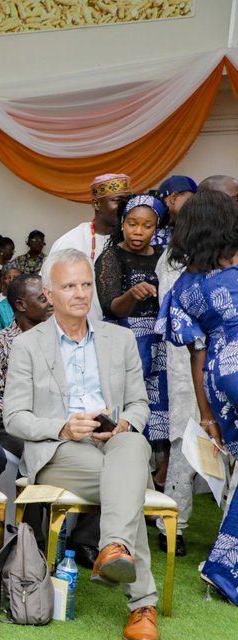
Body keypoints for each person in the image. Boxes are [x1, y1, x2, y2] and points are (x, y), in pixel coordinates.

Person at [4, 248, 159, 640]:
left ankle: (112, 548)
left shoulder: (120, 339)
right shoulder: (27, 345)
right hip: (60, 451)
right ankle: (142, 604)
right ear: (50, 294)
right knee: (126, 484)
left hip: (114, 442)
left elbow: (141, 404)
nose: (80, 293)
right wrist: (63, 426)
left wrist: (126, 422)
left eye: (86, 284)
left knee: (130, 447)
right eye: (69, 285)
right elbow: (14, 418)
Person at [159, 189, 238, 601]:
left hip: (219, 381)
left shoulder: (186, 286)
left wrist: (207, 414)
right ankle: (225, 571)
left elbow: (197, 352)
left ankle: (224, 569)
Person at [96, 194, 169, 453]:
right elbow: (111, 308)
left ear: (156, 227)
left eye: (147, 226)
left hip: (160, 341)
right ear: (122, 223)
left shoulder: (165, 257)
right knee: (128, 396)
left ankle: (161, 467)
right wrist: (131, 295)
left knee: (161, 398)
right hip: (124, 338)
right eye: (132, 224)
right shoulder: (111, 257)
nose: (138, 231)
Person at [0, 273, 51, 458]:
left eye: (51, 296)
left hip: (58, 421)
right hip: (14, 428)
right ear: (21, 305)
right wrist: (31, 419)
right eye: (43, 298)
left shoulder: (59, 339)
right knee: (43, 453)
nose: (51, 303)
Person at [50, 173, 130, 321]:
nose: (124, 207)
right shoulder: (70, 242)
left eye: (127, 201)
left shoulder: (135, 241)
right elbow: (50, 288)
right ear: (96, 204)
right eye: (117, 201)